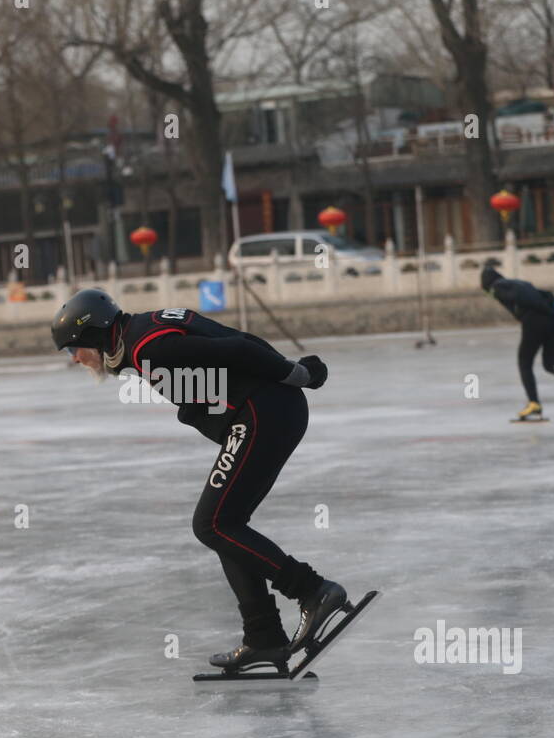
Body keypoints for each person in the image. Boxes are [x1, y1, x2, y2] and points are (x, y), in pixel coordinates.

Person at [50, 288, 348, 673]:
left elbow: (238, 350)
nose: (75, 359)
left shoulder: (148, 349)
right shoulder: (146, 329)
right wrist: (288, 373)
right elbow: (235, 339)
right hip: (267, 411)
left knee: (212, 524)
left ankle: (313, 591)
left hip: (262, 413)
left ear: (92, 333)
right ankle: (264, 638)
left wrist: (296, 373)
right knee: (226, 526)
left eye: (73, 348)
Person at [481, 265, 554, 421]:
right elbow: (540, 294)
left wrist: (528, 310)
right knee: (551, 363)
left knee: (524, 363)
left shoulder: (496, 287)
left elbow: (519, 297)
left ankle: (534, 403)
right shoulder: (517, 282)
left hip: (535, 321)